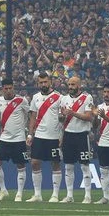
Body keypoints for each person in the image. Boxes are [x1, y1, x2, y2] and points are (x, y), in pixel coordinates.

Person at [26, 73, 64, 202]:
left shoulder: (59, 97)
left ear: (50, 82)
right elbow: (33, 117)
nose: (43, 84)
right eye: (41, 82)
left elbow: (63, 118)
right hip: (39, 136)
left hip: (54, 137)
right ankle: (37, 195)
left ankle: (55, 195)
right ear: (38, 83)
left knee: (55, 164)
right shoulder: (35, 97)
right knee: (35, 163)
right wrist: (30, 134)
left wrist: (61, 135)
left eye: (45, 82)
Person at [59, 75, 96, 203]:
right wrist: (62, 116)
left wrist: (72, 113)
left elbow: (88, 117)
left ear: (79, 85)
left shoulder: (87, 97)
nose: (70, 87)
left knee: (85, 166)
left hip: (82, 135)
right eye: (69, 84)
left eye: (73, 84)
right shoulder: (64, 99)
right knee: (68, 166)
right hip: (68, 135)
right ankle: (69, 195)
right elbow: (62, 119)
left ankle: (87, 196)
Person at [0, 77, 30, 202]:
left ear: (13, 88)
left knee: (21, 165)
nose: (8, 90)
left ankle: (19, 193)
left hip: (19, 139)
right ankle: (3, 190)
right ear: (2, 89)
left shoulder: (21, 100)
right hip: (4, 138)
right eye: (6, 88)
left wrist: (27, 131)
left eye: (10, 88)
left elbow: (29, 115)